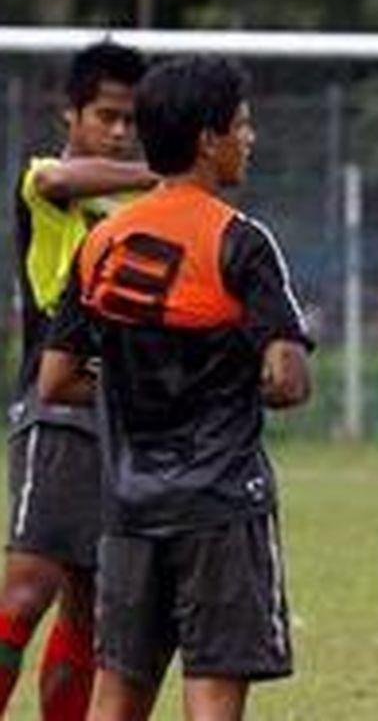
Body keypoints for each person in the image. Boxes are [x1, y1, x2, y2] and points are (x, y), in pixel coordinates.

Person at [38, 55, 312, 721]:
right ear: (206, 141)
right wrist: (221, 383)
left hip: (128, 505)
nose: (249, 139)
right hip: (220, 504)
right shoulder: (239, 240)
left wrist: (134, 389)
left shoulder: (102, 242)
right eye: (242, 126)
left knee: (117, 692)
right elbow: (288, 379)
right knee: (213, 693)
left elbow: (57, 379)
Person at [0, 40, 155, 720]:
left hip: (126, 415)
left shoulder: (146, 212)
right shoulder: (48, 183)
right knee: (26, 589)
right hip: (57, 406)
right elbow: (59, 183)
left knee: (93, 604)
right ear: (71, 115)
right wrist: (169, 173)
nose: (119, 131)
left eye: (131, 120)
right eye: (106, 116)